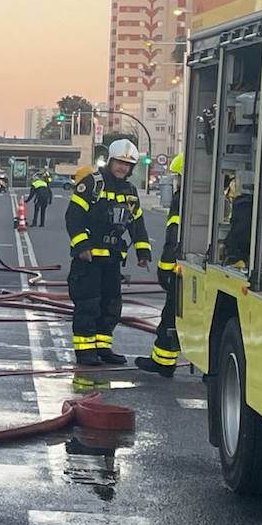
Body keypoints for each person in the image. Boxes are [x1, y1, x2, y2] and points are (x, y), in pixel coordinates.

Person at [65, 140, 152, 367]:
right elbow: (73, 217)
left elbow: (137, 223)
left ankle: (103, 347)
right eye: (120, 163)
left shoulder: (130, 192)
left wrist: (143, 251)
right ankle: (85, 351)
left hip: (112, 259)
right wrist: (82, 246)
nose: (123, 168)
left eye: (128, 164)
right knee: (88, 303)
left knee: (111, 305)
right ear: (111, 160)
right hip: (90, 259)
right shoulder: (92, 184)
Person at [138, 152, 183, 377]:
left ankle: (163, 363)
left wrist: (165, 271)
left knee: (170, 317)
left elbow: (173, 239)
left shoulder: (181, 200)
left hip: (180, 271)